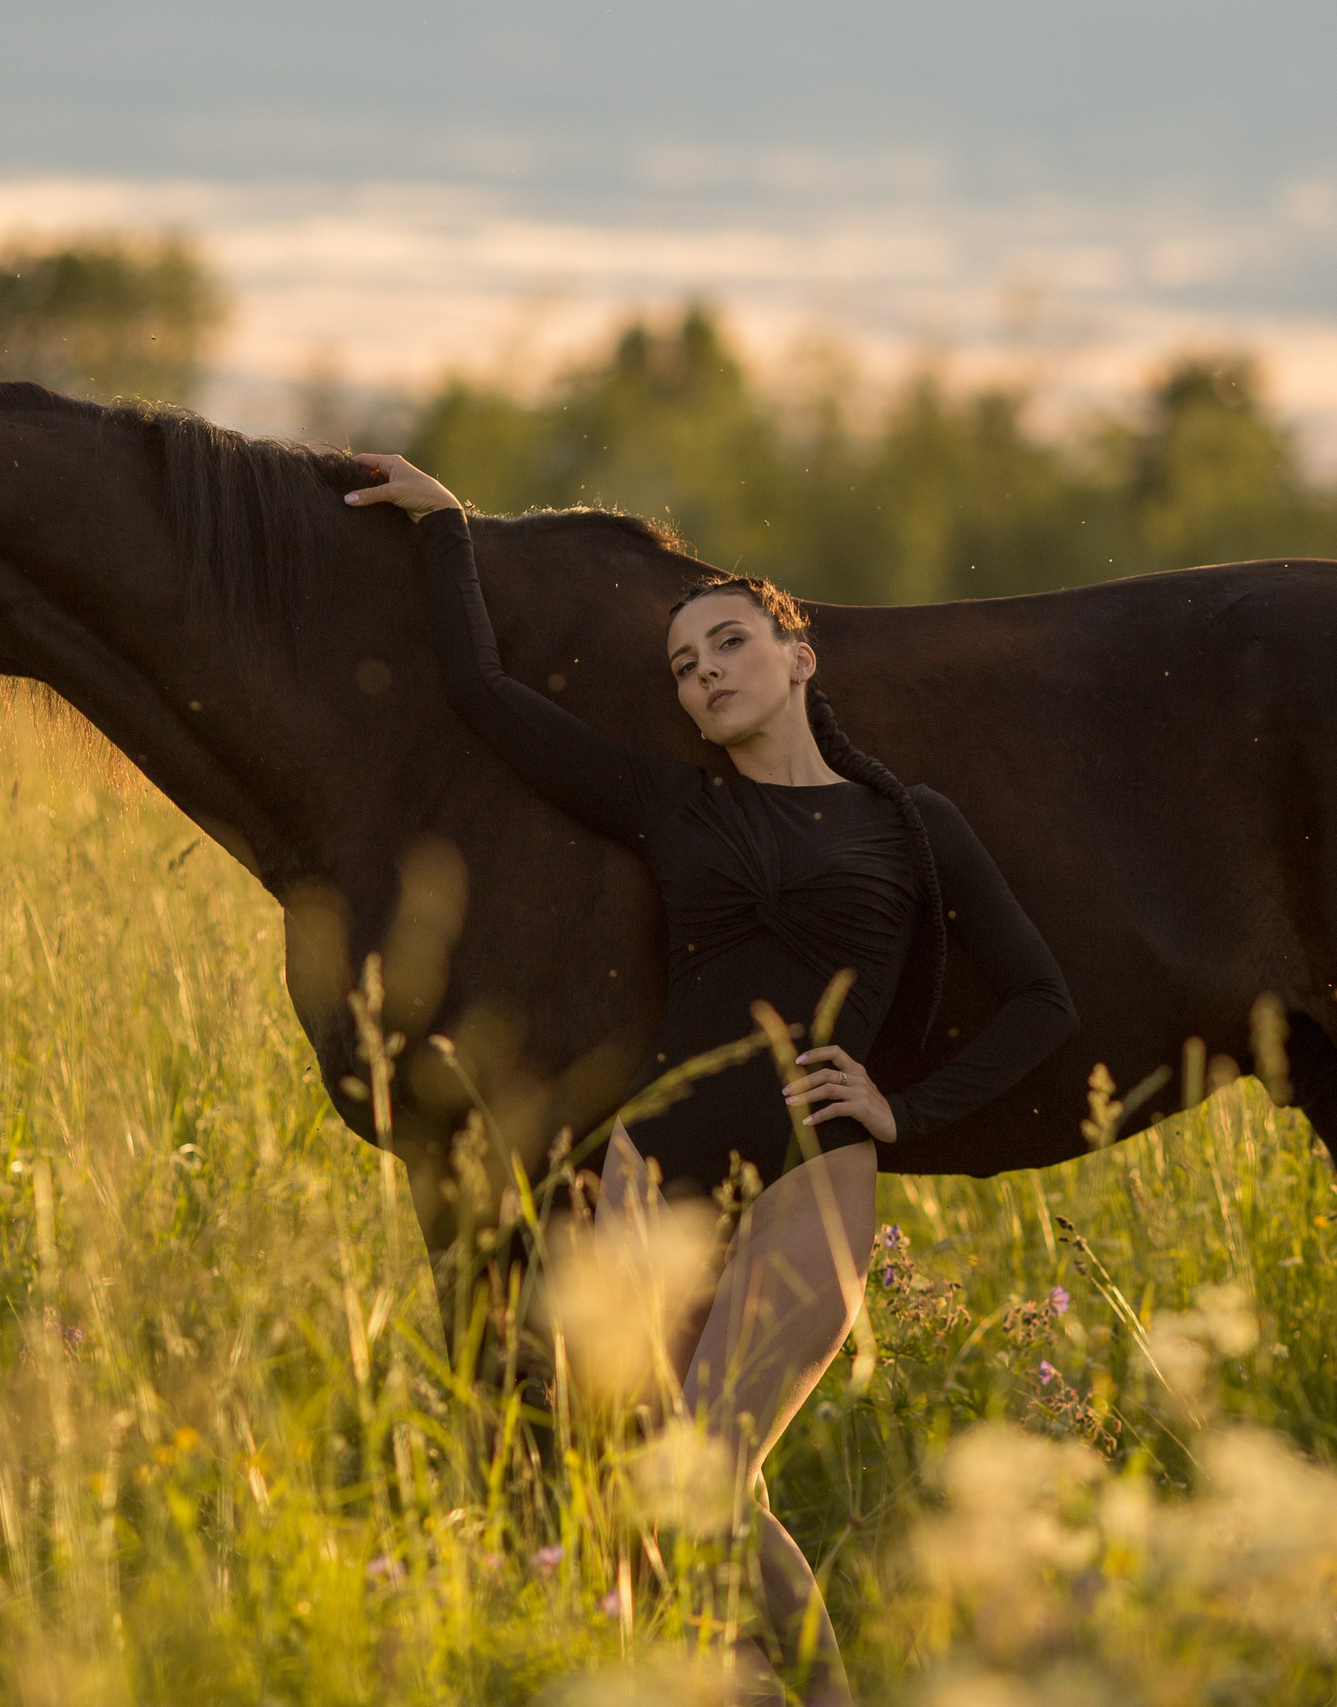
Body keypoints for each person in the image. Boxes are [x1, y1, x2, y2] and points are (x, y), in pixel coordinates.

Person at [348, 455, 1079, 1704]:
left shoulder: (907, 826)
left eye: (729, 643)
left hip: (810, 1168)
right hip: (656, 1166)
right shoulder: (671, 805)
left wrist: (902, 1111)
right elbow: (481, 694)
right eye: (685, 668)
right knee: (645, 1480)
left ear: (797, 656)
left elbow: (1041, 1001)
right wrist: (445, 527)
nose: (706, 674)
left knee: (706, 1466)